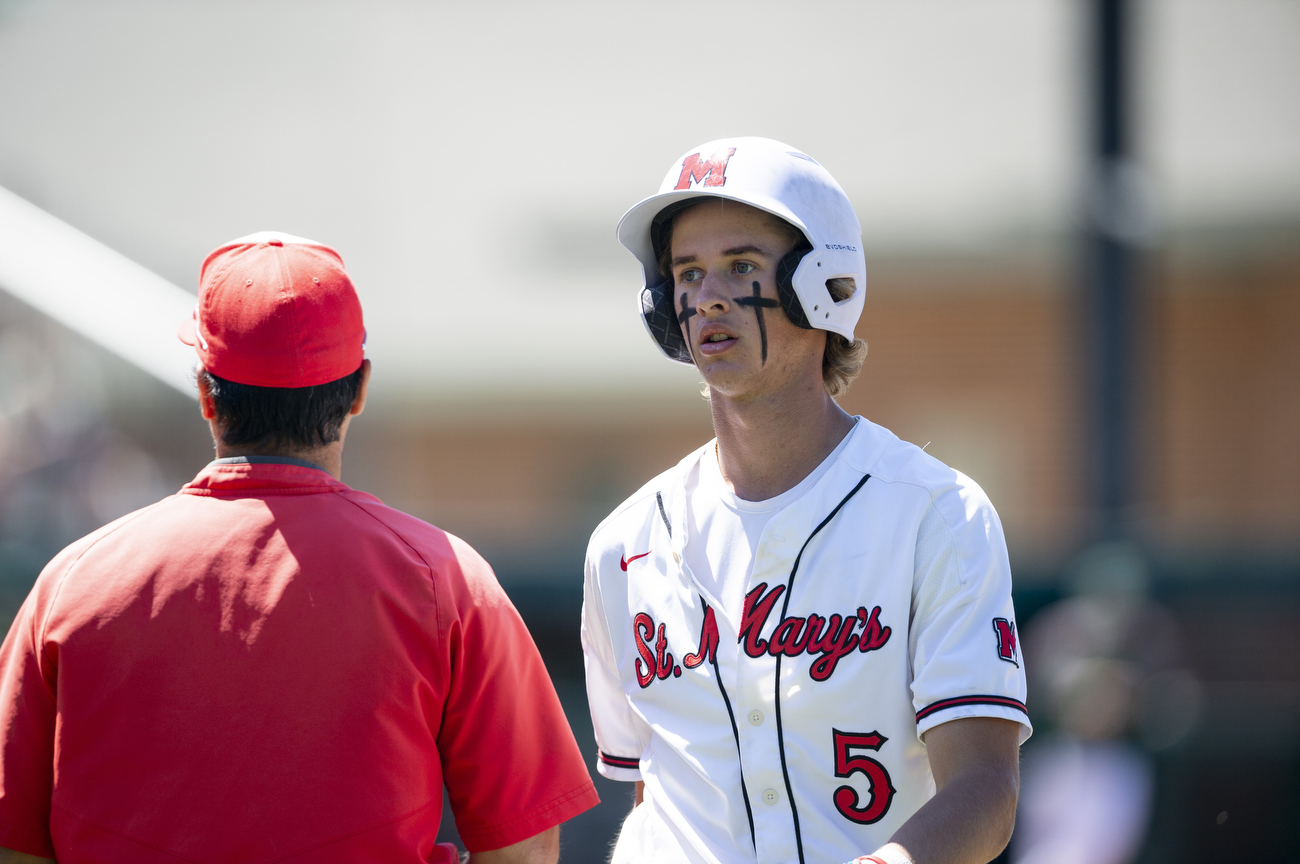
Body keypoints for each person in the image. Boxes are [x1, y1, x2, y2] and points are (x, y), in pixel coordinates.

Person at [0, 233, 598, 864]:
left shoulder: (72, 583)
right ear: (359, 389)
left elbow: (13, 843)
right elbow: (524, 851)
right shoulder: (445, 578)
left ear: (206, 391)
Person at [581, 138, 1030, 864]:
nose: (708, 296)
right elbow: (652, 790)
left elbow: (985, 789)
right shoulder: (623, 544)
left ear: (826, 283)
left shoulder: (936, 513)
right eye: (687, 273)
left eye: (741, 265)